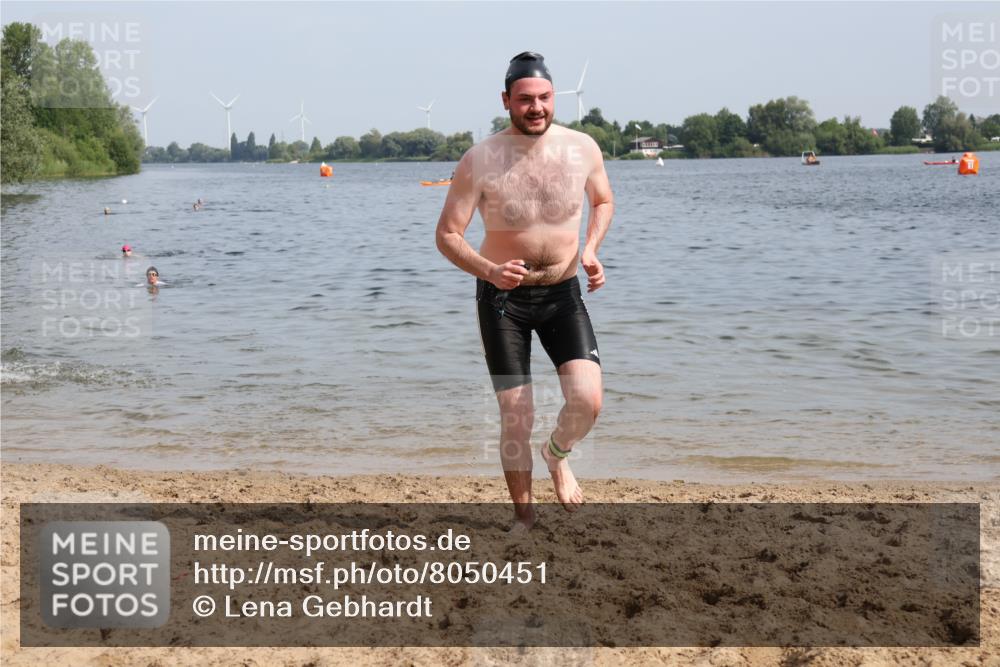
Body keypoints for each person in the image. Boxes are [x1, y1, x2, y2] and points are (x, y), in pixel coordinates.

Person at [435, 51, 614, 528]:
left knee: (588, 400)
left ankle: (557, 454)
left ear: (554, 96)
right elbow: (447, 236)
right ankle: (525, 518)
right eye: (525, 100)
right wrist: (489, 270)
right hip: (502, 301)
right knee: (516, 414)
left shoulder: (583, 148)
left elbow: (603, 200)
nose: (536, 107)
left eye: (544, 98)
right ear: (507, 101)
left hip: (562, 294)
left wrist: (591, 249)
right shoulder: (481, 159)